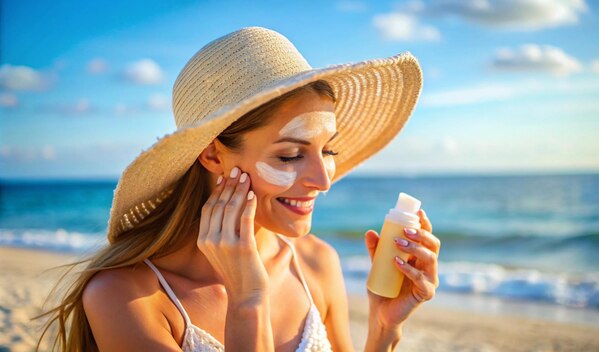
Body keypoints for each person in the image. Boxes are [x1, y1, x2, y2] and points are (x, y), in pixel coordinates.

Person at [36, 26, 440, 351]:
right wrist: (247, 301)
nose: (324, 180)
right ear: (213, 156)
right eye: (290, 156)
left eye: (328, 150)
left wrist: (384, 330)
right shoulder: (125, 297)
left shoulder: (317, 264)